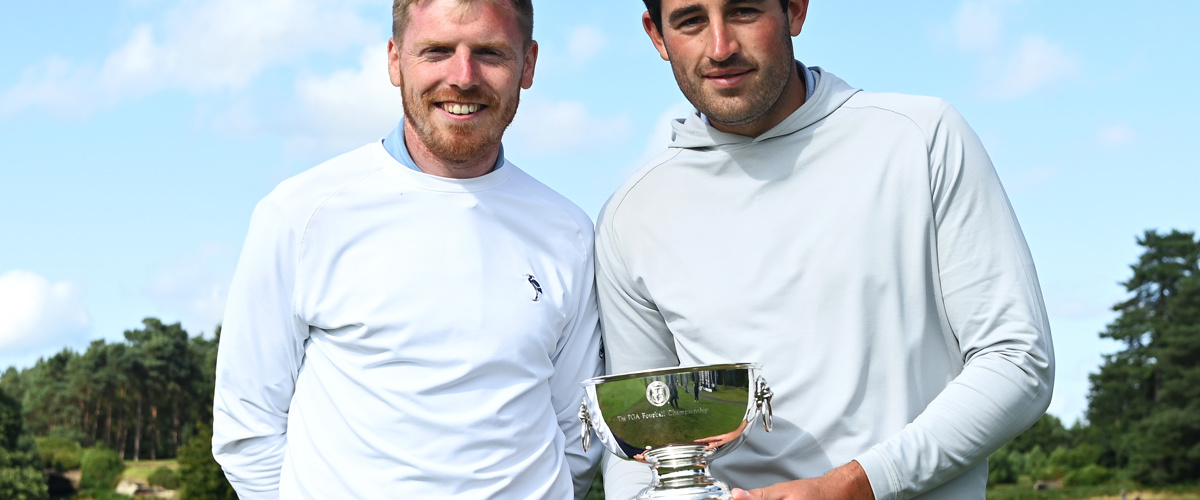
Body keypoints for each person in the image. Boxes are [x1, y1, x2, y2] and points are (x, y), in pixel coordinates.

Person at [595, 0, 1054, 499]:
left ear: (794, 10)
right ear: (657, 36)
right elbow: (639, 448)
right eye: (691, 21)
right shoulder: (631, 216)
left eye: (744, 11)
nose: (721, 47)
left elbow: (1017, 359)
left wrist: (859, 484)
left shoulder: (920, 137)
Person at [211, 0, 603, 498]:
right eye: (436, 50)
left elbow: (578, 431)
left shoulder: (568, 230)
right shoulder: (301, 214)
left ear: (528, 65)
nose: (463, 77)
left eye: (490, 53)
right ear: (395, 60)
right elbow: (248, 429)